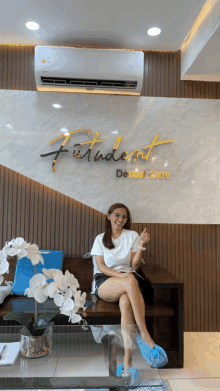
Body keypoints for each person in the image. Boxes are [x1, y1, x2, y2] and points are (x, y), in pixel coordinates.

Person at [91, 203, 168, 379]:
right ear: (109, 216)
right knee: (130, 279)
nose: (120, 219)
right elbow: (101, 267)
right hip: (106, 282)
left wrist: (140, 244)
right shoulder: (100, 239)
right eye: (117, 215)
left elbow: (134, 265)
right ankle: (144, 334)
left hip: (128, 282)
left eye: (124, 217)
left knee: (126, 302)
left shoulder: (132, 235)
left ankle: (127, 362)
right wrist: (120, 275)